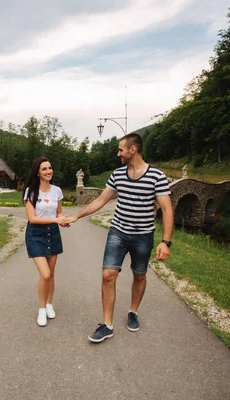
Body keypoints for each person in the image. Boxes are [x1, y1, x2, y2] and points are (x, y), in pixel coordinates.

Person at [67, 133, 174, 343]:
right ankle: (107, 325)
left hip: (143, 235)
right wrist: (77, 216)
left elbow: (167, 209)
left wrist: (165, 241)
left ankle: (133, 311)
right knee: (108, 275)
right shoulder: (117, 175)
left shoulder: (156, 176)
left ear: (132, 150)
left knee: (139, 274)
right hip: (118, 232)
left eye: (120, 150)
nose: (118, 154)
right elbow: (100, 200)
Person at [23, 157, 69, 326]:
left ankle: (49, 304)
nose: (49, 171)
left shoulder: (57, 191)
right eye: (44, 169)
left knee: (51, 273)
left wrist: (62, 220)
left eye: (50, 168)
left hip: (53, 233)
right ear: (38, 172)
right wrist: (56, 220)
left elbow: (58, 213)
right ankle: (42, 309)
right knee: (45, 274)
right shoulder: (30, 192)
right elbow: (32, 218)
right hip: (35, 235)